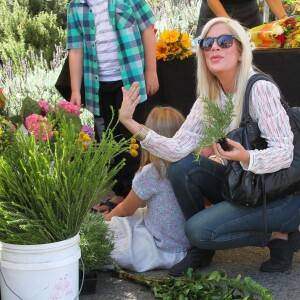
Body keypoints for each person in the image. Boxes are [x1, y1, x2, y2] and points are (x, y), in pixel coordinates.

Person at [119, 17, 300, 277]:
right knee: (182, 167)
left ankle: (279, 233)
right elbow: (176, 149)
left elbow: (284, 153)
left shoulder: (259, 88)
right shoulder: (210, 98)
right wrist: (129, 122)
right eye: (206, 43)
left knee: (197, 229)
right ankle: (200, 250)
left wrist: (246, 156)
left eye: (224, 41)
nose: (214, 48)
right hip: (245, 185)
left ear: (239, 51)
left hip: (279, 193)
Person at [66, 0, 159, 212]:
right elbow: (75, 49)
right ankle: (120, 194)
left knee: (132, 141)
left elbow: (147, 29)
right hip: (99, 85)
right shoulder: (76, 6)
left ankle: (137, 195)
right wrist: (75, 90)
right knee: (111, 142)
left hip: (130, 81)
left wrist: (151, 70)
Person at [104, 106, 190, 272]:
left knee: (113, 233)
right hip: (187, 245)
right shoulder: (191, 164)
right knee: (136, 218)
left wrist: (105, 219)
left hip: (165, 248)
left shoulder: (153, 172)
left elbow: (125, 209)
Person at [195, 0, 288, 37]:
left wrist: (286, 21)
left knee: (257, 60)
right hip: (215, 14)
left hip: (250, 14)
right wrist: (230, 24)